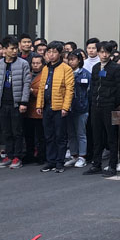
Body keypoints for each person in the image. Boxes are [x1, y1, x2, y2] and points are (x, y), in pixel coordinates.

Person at [85, 40, 120, 176]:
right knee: (96, 136)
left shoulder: (116, 68)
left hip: (110, 106)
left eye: (107, 52)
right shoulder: (96, 67)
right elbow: (93, 86)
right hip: (96, 106)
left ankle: (112, 165)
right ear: (98, 52)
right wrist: (93, 100)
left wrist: (113, 103)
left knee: (112, 137)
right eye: (101, 52)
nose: (104, 55)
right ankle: (96, 164)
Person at [33, 41, 74, 173]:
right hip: (46, 106)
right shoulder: (45, 68)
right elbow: (41, 88)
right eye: (49, 52)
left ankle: (59, 162)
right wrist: (39, 105)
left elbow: (69, 90)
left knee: (60, 136)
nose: (51, 55)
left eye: (54, 52)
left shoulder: (66, 68)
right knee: (48, 135)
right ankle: (50, 161)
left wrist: (65, 107)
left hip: (59, 107)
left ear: (60, 54)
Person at [0, 36, 32, 169]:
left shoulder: (23, 63)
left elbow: (27, 84)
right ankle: (9, 155)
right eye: (12, 48)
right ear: (4, 49)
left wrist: (24, 102)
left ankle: (17, 157)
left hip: (17, 102)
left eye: (16, 48)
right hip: (3, 102)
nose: (15, 51)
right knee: (6, 131)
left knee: (17, 131)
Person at [65, 51, 90, 168]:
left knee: (81, 133)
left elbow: (90, 91)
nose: (71, 62)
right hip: (68, 107)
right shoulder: (66, 72)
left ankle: (82, 156)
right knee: (71, 133)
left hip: (82, 107)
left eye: (73, 59)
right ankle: (74, 155)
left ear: (79, 60)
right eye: (69, 59)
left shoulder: (85, 74)